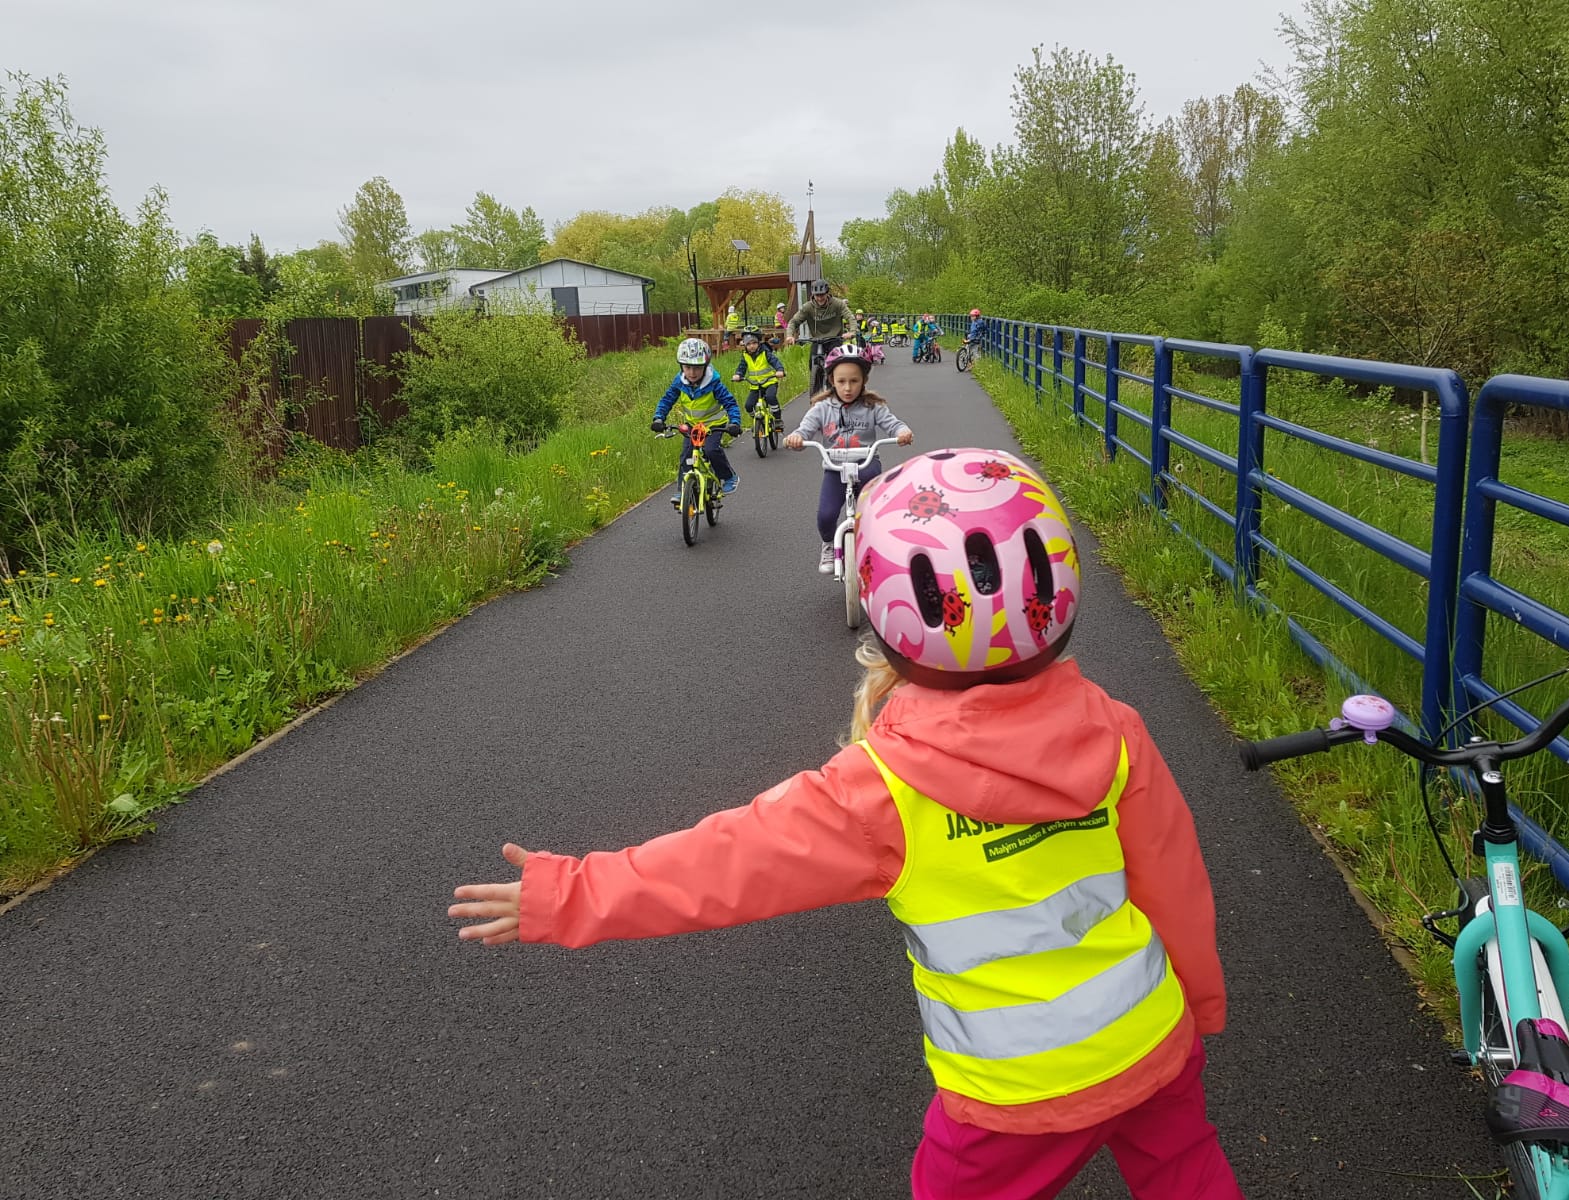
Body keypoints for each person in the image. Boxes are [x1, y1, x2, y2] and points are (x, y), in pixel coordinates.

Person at [449, 447, 1241, 1200]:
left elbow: (725, 864)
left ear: (888, 617)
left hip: (1011, 1089)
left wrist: (568, 894)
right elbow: (1173, 879)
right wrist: (1198, 1004)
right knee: (1188, 1173)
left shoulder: (881, 790)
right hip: (1150, 1037)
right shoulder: (1113, 731)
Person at [784, 343, 913, 573]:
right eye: (841, 381)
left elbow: (893, 424)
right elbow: (805, 430)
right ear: (831, 380)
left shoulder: (873, 407)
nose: (847, 388)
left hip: (866, 463)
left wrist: (902, 432)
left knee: (874, 510)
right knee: (826, 515)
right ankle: (828, 544)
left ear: (864, 380)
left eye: (854, 381)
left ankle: (875, 547)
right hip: (835, 466)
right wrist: (796, 438)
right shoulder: (821, 408)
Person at [650, 337, 741, 501]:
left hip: (713, 425)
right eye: (687, 367)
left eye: (697, 368)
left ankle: (728, 477)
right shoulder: (679, 382)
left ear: (705, 366)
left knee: (711, 450)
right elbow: (667, 400)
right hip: (692, 426)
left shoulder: (714, 384)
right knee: (686, 455)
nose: (692, 373)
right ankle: (683, 490)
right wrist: (658, 418)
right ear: (681, 366)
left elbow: (730, 403)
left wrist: (734, 422)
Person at [784, 280, 860, 389]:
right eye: (817, 295)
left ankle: (833, 386)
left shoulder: (838, 304)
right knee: (812, 363)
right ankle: (816, 392)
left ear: (827, 293)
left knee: (835, 364)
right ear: (813, 295)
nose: (820, 298)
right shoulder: (808, 307)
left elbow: (850, 318)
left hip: (834, 338)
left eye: (822, 295)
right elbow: (794, 321)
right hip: (817, 339)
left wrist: (852, 331)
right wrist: (790, 335)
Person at [730, 328, 788, 434]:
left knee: (770, 397)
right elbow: (742, 367)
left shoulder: (765, 352)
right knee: (748, 406)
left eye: (754, 343)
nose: (751, 346)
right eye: (748, 344)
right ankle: (757, 422)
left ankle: (777, 419)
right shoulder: (745, 355)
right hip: (755, 386)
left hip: (769, 382)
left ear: (759, 342)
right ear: (745, 345)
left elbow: (775, 362)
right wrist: (738, 375)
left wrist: (780, 370)